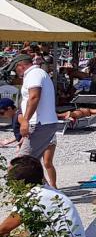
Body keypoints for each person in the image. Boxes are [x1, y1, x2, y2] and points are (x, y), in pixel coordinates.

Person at [0, 156, 85, 237]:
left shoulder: (31, 197)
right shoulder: (52, 192)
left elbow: (3, 229)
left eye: (9, 180)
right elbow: (30, 235)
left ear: (19, 182)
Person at [13, 55, 59, 188]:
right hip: (43, 123)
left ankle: (26, 195)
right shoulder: (37, 73)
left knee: (21, 164)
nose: (16, 73)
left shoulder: (34, 74)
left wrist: (25, 121)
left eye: (15, 69)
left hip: (39, 123)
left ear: (21, 66)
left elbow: (34, 97)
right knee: (33, 163)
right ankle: (49, 192)